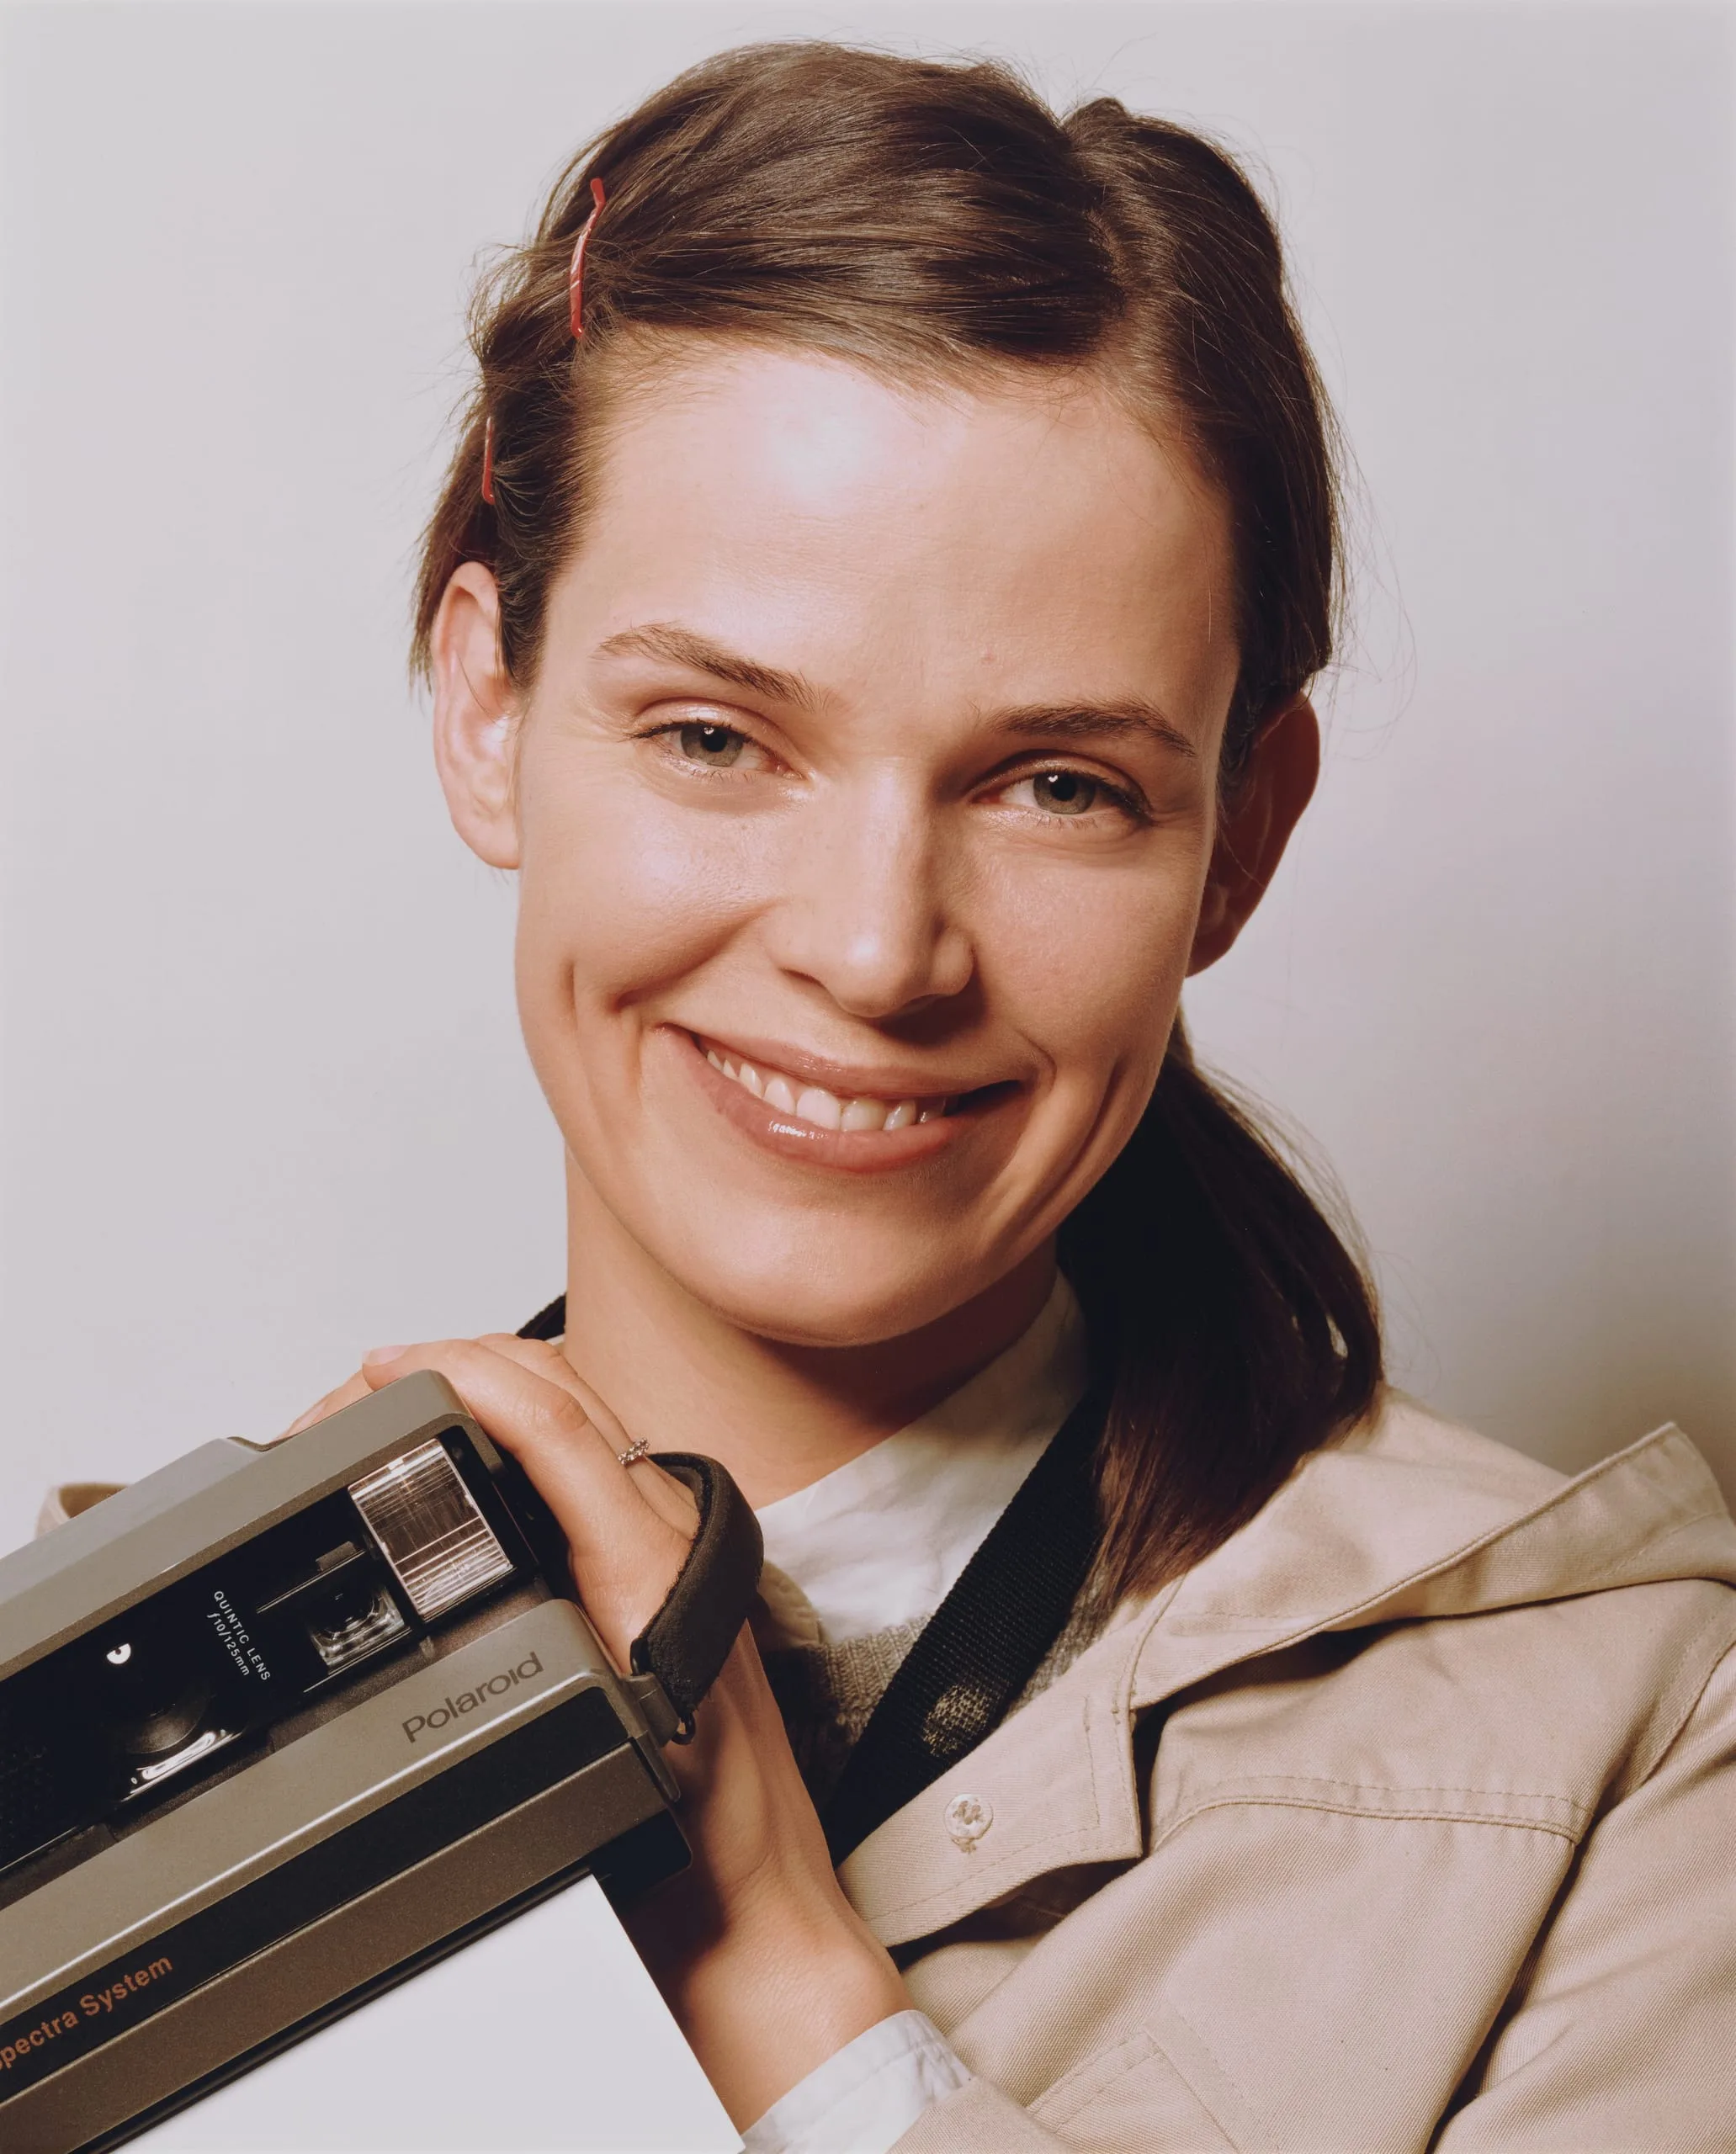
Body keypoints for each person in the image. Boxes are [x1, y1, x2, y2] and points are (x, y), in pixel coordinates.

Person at [260, 41, 1734, 2151]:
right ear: (487, 704)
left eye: (1056, 784)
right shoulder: (109, 1728)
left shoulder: (1636, 1750)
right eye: (712, 737)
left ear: (1239, 836)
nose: (877, 949)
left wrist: (783, 1976)